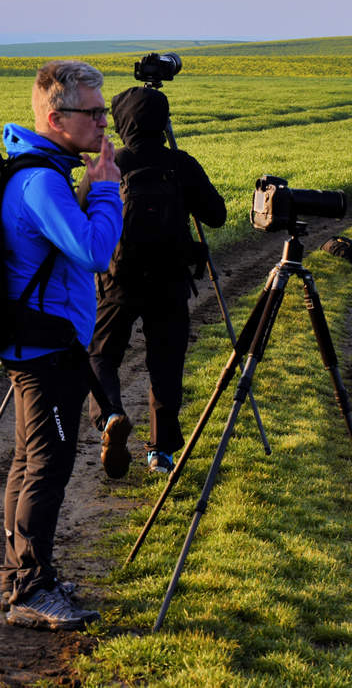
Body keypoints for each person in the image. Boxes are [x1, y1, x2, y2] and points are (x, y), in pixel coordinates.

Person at [0, 60, 123, 631]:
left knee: (30, 462)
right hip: (47, 349)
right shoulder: (42, 180)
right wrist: (107, 192)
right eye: (93, 112)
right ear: (56, 117)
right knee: (47, 466)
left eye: (104, 110)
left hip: (40, 343)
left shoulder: (41, 169)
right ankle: (29, 590)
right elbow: (96, 252)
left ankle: (27, 575)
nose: (104, 121)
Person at [86, 86, 225, 476]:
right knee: (165, 364)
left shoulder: (113, 162)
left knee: (100, 354)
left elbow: (81, 219)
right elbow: (216, 215)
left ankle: (111, 415)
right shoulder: (180, 163)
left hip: (119, 279)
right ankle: (161, 453)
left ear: (122, 121)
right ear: (163, 122)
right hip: (171, 280)